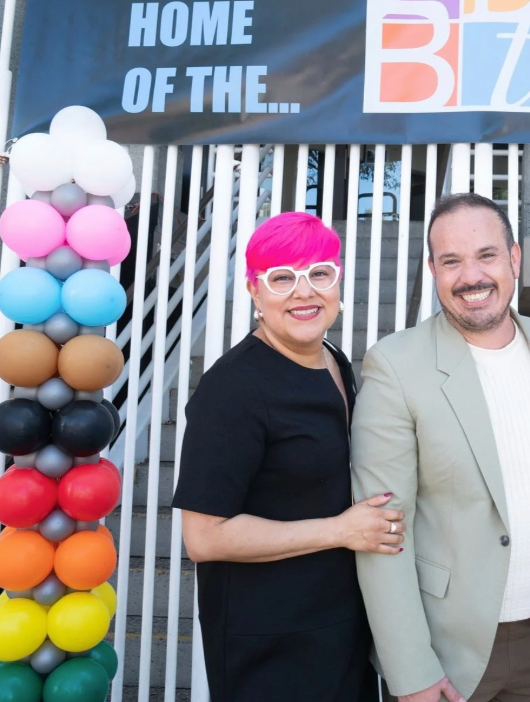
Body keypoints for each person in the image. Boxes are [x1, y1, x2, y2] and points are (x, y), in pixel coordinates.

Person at [351, 193, 530, 702]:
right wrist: (411, 669)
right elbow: (383, 532)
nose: (471, 276)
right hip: (444, 651)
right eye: (451, 261)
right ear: (432, 269)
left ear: (514, 257)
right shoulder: (394, 365)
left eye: (486, 255)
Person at [172, 212, 404, 702]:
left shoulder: (335, 361)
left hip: (340, 629)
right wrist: (340, 530)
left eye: (319, 273)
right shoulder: (233, 387)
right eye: (282, 278)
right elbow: (204, 537)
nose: (304, 292)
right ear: (255, 292)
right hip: (271, 645)